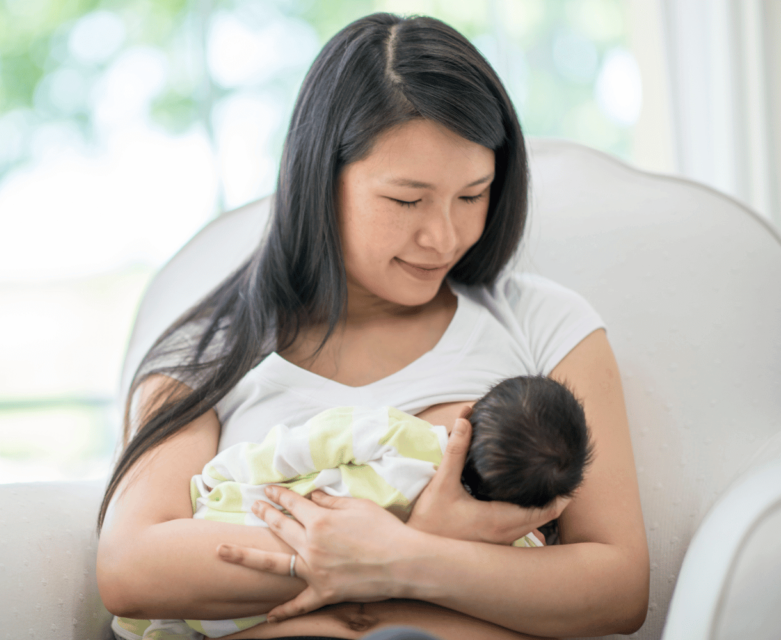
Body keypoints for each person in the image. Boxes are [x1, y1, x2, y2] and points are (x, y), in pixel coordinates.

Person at [96, 12, 649, 640]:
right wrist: (410, 546)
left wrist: (407, 558)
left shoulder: (545, 324)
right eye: (406, 200)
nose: (443, 236)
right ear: (320, 181)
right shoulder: (211, 351)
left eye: (473, 195)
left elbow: (617, 586)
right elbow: (130, 568)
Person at [112, 375, 594, 640]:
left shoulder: (397, 434)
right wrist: (425, 542)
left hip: (238, 569)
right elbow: (130, 572)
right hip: (240, 585)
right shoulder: (513, 539)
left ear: (464, 413)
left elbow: (299, 446)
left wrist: (222, 478)